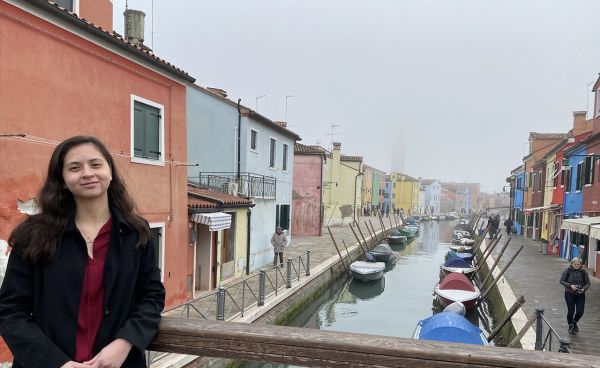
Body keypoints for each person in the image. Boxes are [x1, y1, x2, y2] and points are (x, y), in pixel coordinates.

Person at [0, 136, 165, 368]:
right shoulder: (33, 235)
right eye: (75, 168)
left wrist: (125, 342)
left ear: (110, 171)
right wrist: (57, 363)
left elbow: (151, 297)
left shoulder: (136, 232)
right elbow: (10, 311)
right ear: (63, 180)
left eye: (96, 164)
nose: (87, 173)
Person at [559, 257, 591, 335]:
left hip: (580, 294)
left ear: (580, 264)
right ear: (572, 263)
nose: (576, 265)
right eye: (575, 264)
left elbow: (588, 283)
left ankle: (574, 321)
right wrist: (570, 286)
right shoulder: (567, 270)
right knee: (571, 311)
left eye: (578, 264)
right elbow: (561, 281)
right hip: (569, 293)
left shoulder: (583, 272)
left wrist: (583, 289)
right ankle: (570, 326)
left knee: (580, 311)